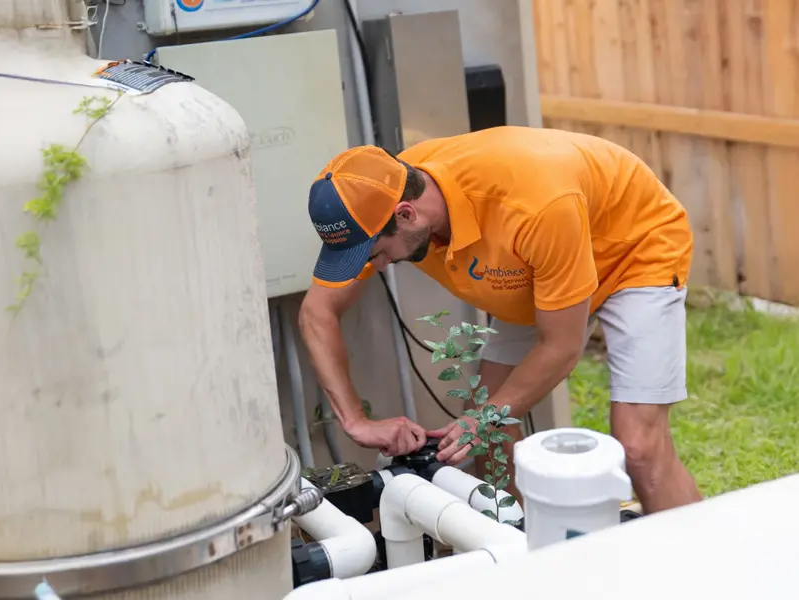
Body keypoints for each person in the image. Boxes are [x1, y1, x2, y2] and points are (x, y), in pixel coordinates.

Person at [297, 126, 703, 514]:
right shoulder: (381, 194)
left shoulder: (533, 206)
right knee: (489, 434)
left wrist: (486, 415)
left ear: (406, 215)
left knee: (639, 447)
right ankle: (523, 556)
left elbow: (562, 347)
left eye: (375, 254)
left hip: (632, 249)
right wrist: (355, 420)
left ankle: (705, 571)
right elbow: (317, 313)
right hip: (541, 265)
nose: (378, 267)